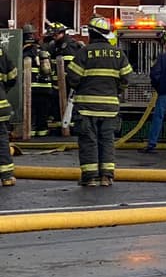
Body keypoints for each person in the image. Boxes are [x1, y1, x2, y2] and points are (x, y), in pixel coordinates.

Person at [66, 15, 132, 187]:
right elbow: (126, 78)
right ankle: (106, 177)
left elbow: (72, 78)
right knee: (107, 140)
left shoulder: (84, 52)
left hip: (86, 107)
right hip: (110, 107)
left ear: (91, 33)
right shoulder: (118, 53)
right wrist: (115, 91)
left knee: (89, 140)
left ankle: (90, 177)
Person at [47, 22, 85, 129]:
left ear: (62, 33)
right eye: (52, 35)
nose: (54, 37)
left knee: (68, 107)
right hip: (58, 84)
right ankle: (61, 126)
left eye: (55, 35)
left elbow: (71, 67)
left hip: (68, 83)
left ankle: (69, 128)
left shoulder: (70, 46)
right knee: (57, 107)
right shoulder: (55, 46)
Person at [22, 26, 55, 137]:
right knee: (43, 113)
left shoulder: (24, 51)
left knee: (32, 112)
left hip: (31, 87)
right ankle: (42, 132)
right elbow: (52, 69)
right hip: (46, 88)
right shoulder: (42, 50)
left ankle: (30, 131)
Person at [0, 44, 16, 186]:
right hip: (1, 105)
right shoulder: (2, 51)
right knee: (2, 140)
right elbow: (12, 76)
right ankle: (7, 177)